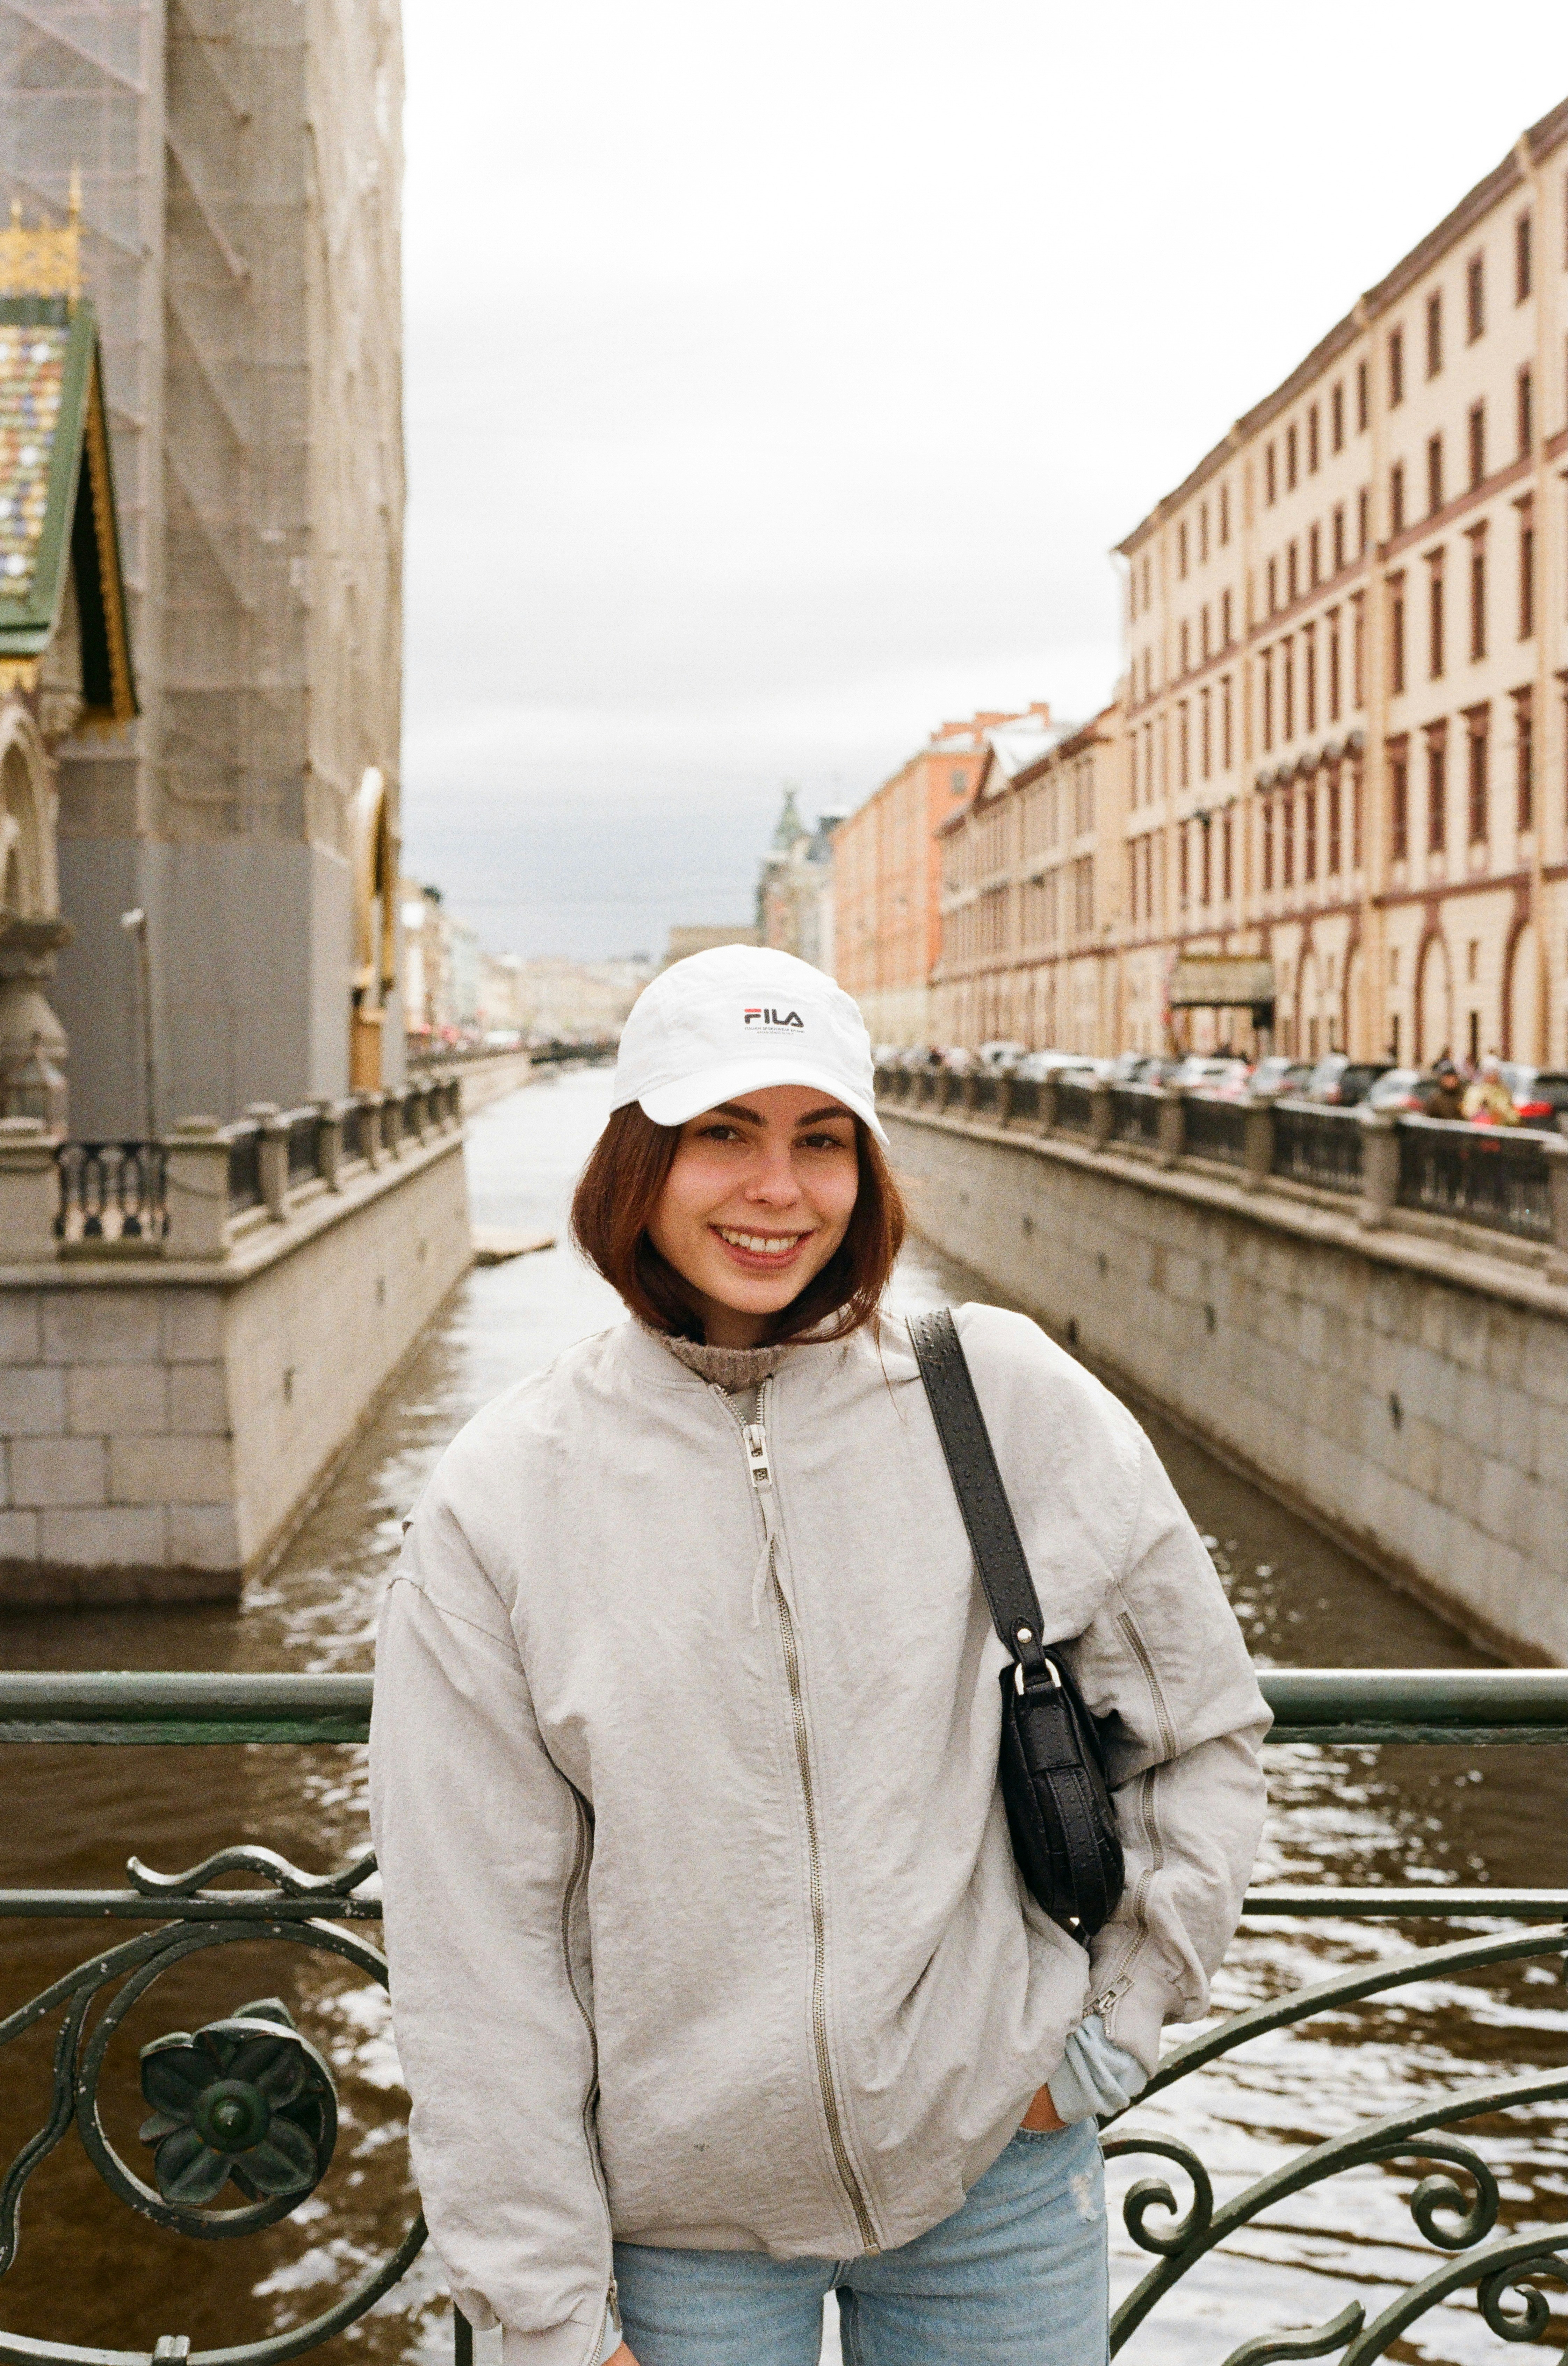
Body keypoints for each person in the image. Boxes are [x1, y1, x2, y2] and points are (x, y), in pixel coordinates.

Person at [369, 945, 1271, 2366]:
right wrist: (549, 2308)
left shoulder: (999, 1397)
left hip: (996, 2189)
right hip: (672, 2244)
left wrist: (1097, 2040)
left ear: (869, 1167)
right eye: (722, 1132)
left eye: (821, 1139)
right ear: (638, 1161)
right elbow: (472, 1941)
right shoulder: (506, 1491)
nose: (777, 1189)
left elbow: (1200, 1728)